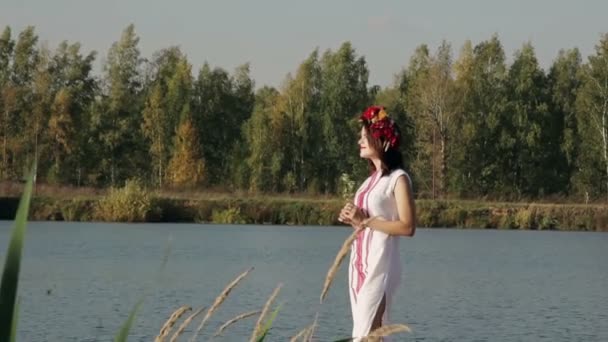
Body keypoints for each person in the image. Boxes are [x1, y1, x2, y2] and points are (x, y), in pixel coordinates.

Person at [338, 105, 416, 340]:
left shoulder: (398, 179)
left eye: (365, 137)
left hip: (380, 265)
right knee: (370, 334)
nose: (359, 141)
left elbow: (407, 226)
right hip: (359, 263)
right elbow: (367, 224)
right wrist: (354, 219)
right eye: (360, 137)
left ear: (381, 140)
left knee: (365, 335)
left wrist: (366, 220)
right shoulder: (369, 181)